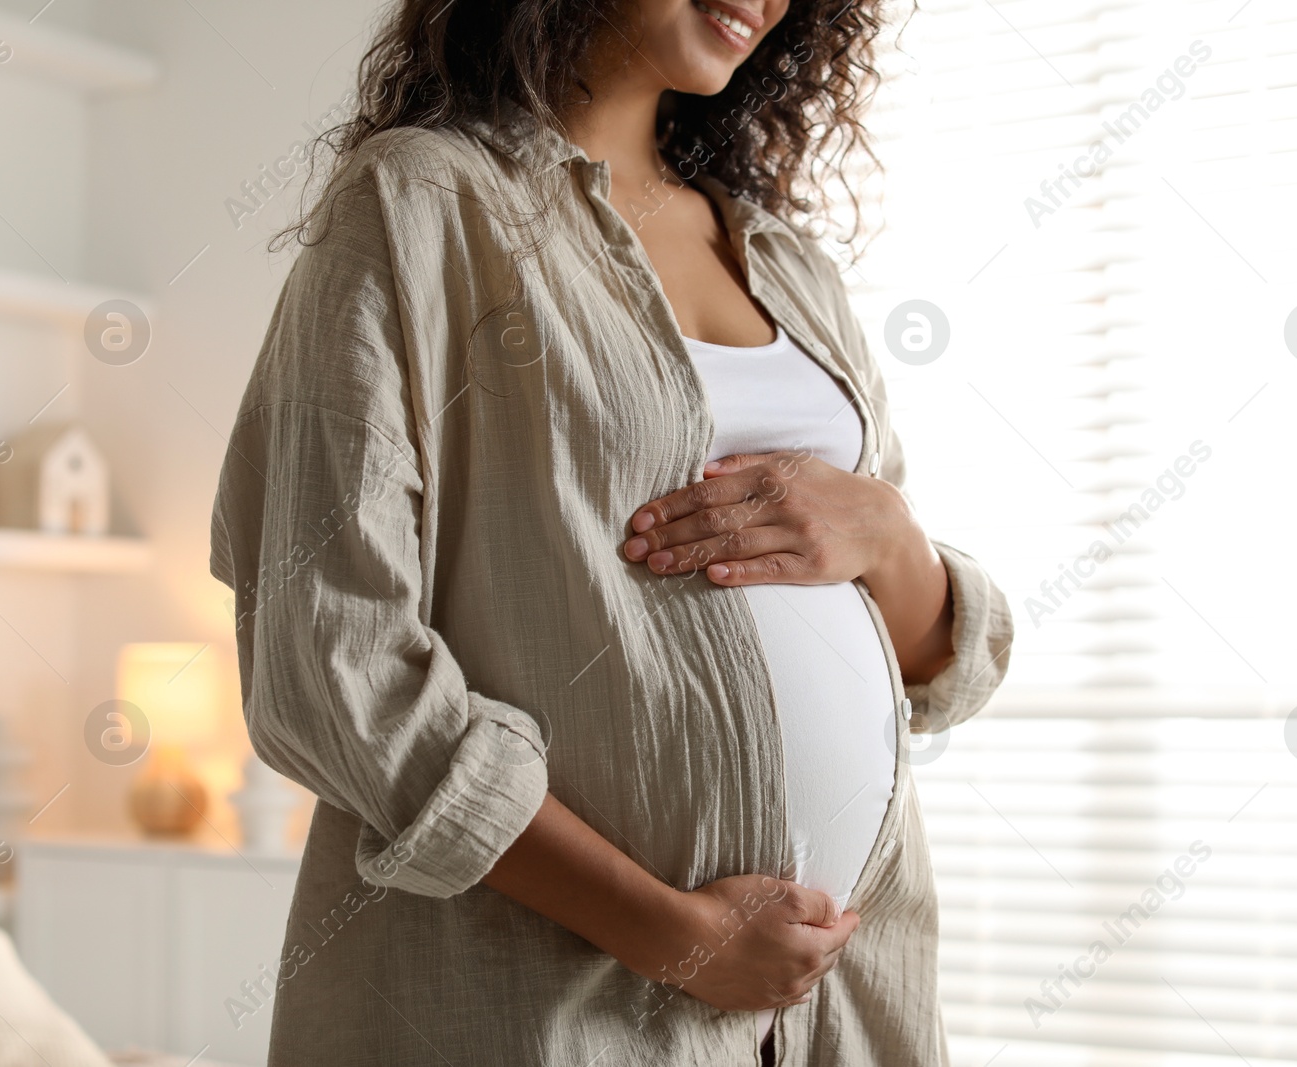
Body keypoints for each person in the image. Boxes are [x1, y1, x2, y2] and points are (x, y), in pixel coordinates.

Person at [209, 1, 1013, 1063]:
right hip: (543, 1002)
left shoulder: (788, 264)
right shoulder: (425, 201)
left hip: (838, 1004)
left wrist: (893, 538)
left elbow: (928, 667)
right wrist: (667, 932)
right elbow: (329, 658)